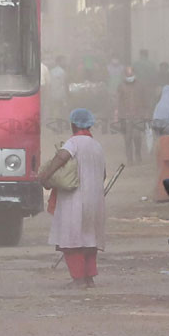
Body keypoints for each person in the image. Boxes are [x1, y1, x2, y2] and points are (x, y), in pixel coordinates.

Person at [38, 108, 106, 289]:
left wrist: (46, 176)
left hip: (74, 199)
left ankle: (78, 279)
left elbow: (61, 157)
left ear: (73, 124)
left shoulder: (73, 142)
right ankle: (89, 278)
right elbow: (103, 173)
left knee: (71, 240)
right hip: (95, 200)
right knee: (90, 239)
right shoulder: (97, 146)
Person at [115, 67, 146, 165]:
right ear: (125, 76)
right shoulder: (121, 86)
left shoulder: (140, 86)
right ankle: (129, 158)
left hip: (138, 115)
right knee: (127, 138)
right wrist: (118, 115)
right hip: (125, 116)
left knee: (137, 136)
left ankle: (138, 154)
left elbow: (145, 100)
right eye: (128, 75)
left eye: (131, 75)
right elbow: (118, 101)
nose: (130, 77)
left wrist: (145, 113)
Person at [47, 56, 69, 126]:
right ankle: (63, 124)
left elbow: (49, 83)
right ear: (59, 62)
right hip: (61, 93)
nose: (64, 62)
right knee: (63, 109)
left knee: (56, 109)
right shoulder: (63, 72)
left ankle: (58, 124)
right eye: (63, 61)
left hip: (53, 93)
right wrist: (67, 94)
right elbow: (65, 83)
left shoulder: (51, 71)